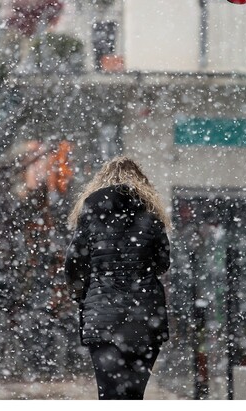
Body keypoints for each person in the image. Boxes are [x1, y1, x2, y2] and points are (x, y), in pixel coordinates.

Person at [64, 156, 171, 400]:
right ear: (141, 183)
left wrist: (82, 296)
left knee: (109, 394)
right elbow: (162, 263)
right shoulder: (150, 214)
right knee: (134, 394)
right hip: (144, 319)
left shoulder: (90, 214)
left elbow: (75, 263)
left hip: (103, 319)